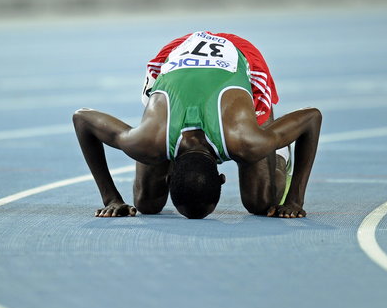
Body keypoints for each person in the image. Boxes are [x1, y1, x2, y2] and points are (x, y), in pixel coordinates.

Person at [73, 31, 321, 219]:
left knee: (260, 202)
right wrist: (111, 198)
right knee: (146, 204)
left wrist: (294, 199)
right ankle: (270, 144)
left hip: (240, 55)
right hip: (180, 50)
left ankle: (277, 151)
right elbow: (82, 119)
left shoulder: (245, 140)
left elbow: (311, 117)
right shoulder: (147, 141)